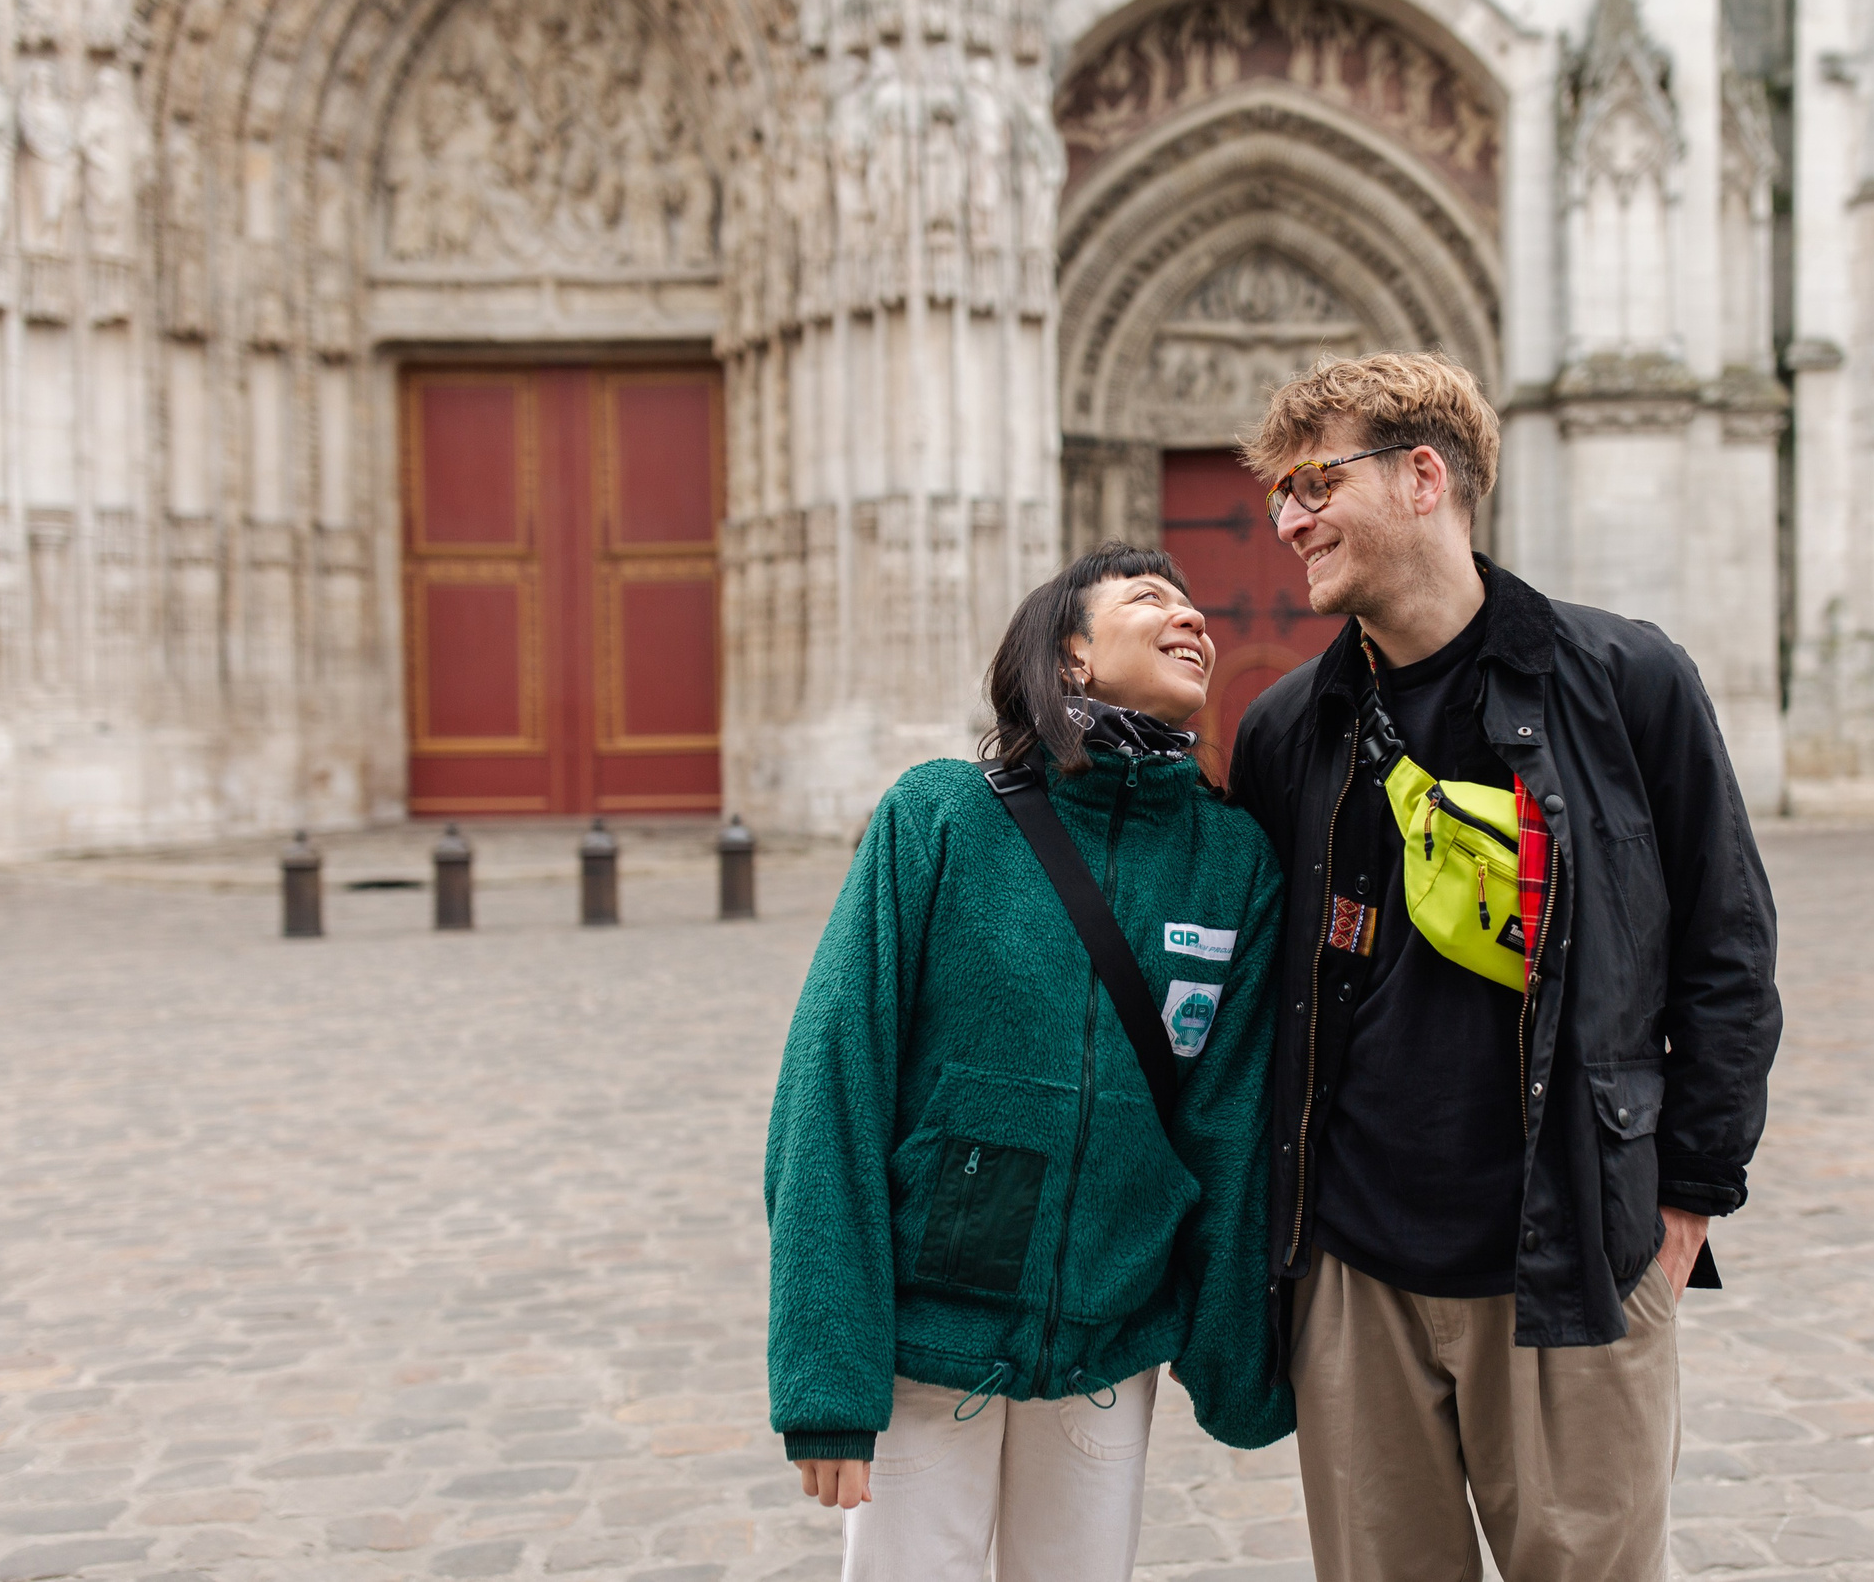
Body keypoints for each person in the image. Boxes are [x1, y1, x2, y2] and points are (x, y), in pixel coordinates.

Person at [1227, 353, 1784, 1582]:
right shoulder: (1285, 731)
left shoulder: (1624, 682)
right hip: (1354, 1275)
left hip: (1570, 1253)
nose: (1288, 519)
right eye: (1279, 493)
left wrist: (1687, 1200)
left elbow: (1727, 948)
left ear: (1424, 477)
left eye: (1315, 480)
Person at [765, 542, 1292, 1582]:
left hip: (1110, 1338)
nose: (1192, 618)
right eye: (1149, 601)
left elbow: (1230, 1126)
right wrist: (828, 1380)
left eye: (1195, 608)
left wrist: (1241, 1364)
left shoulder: (1232, 860)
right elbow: (835, 1083)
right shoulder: (940, 817)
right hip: (930, 1343)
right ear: (1070, 658)